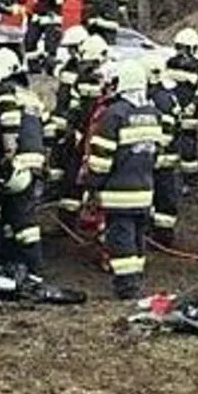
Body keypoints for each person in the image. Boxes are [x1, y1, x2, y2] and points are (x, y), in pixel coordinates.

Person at [86, 59, 163, 299]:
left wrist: (92, 185)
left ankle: (127, 288)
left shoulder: (114, 114)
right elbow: (157, 154)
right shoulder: (152, 113)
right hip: (145, 189)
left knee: (121, 240)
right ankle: (135, 280)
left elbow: (100, 160)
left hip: (118, 193)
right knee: (138, 238)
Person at [0, 48, 46, 281]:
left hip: (18, 163)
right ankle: (12, 262)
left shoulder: (5, 91)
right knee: (11, 214)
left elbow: (9, 119)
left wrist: (9, 153)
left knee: (22, 221)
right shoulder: (31, 96)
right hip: (36, 162)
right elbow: (45, 129)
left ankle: (34, 271)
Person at [56, 34, 110, 222]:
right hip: (97, 133)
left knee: (78, 172)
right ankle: (80, 216)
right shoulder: (107, 76)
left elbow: (75, 106)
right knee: (85, 173)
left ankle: (73, 217)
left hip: (92, 132)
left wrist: (74, 128)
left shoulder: (87, 76)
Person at [166, 27, 198, 191]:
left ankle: (190, 181)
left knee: (188, 147)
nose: (182, 53)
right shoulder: (170, 63)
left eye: (185, 48)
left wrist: (194, 105)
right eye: (179, 47)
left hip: (189, 112)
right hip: (171, 111)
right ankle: (170, 178)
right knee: (169, 143)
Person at [143, 55, 182, 246]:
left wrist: (153, 151)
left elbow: (166, 133)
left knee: (161, 196)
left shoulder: (159, 99)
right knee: (162, 196)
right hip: (164, 157)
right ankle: (160, 232)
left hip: (160, 158)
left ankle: (162, 235)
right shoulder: (164, 96)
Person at [46, 25, 90, 190]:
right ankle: (55, 188)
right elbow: (62, 96)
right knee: (58, 155)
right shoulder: (69, 66)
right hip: (63, 120)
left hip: (74, 123)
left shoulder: (87, 71)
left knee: (73, 161)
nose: (70, 52)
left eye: (72, 48)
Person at [24, 0, 66, 74]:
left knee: (51, 45)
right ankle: (34, 67)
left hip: (52, 18)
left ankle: (49, 68)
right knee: (30, 40)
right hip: (38, 16)